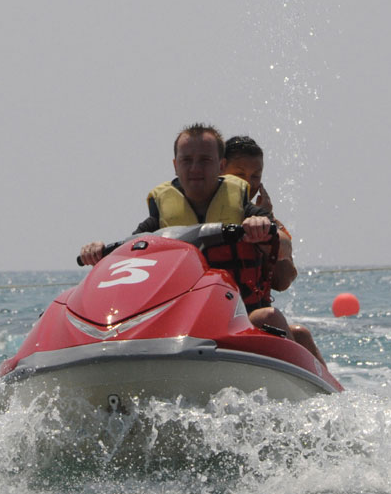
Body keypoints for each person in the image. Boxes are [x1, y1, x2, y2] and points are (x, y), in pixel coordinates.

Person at [80, 123, 324, 364]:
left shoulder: (250, 213)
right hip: (182, 322)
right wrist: (98, 252)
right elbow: (130, 251)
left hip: (238, 319)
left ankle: (302, 380)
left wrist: (264, 230)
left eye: (205, 161)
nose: (195, 168)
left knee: (272, 318)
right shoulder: (160, 216)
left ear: (220, 166)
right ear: (176, 165)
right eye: (187, 160)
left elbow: (284, 253)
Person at [223, 136, 324, 363]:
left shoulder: (267, 222)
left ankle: (325, 387)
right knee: (269, 317)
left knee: (300, 334)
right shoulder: (202, 215)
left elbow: (283, 281)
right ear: (221, 170)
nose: (248, 183)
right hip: (218, 318)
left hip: (253, 320)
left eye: (255, 176)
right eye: (239, 175)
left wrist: (264, 231)